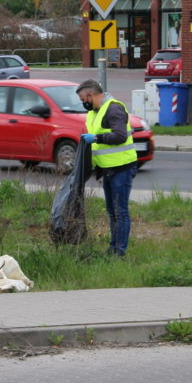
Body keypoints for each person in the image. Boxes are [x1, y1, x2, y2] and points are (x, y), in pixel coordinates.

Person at [77, 79, 138, 257]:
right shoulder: (94, 113)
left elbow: (119, 136)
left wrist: (96, 138)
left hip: (122, 168)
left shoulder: (114, 109)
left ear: (91, 94)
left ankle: (120, 252)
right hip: (108, 169)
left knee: (121, 211)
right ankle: (113, 247)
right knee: (112, 211)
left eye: (83, 99)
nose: (83, 103)